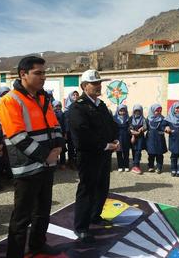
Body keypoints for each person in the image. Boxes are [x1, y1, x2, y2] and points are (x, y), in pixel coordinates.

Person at [0, 56, 64, 258]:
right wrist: (46, 155)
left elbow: (55, 126)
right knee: (21, 218)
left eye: (44, 73)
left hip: (46, 164)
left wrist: (59, 147)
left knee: (43, 211)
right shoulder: (10, 100)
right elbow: (17, 136)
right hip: (26, 168)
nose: (43, 77)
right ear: (23, 74)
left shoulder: (44, 98)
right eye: (38, 73)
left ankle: (37, 245)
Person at [69, 69, 118, 243]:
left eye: (100, 83)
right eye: (95, 83)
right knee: (87, 190)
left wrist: (115, 139)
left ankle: (95, 216)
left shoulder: (100, 104)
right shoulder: (77, 107)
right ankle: (81, 227)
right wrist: (106, 145)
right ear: (84, 86)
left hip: (104, 155)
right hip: (89, 156)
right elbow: (82, 134)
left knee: (102, 187)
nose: (99, 86)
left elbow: (111, 124)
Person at [146, 104, 167, 174]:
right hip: (150, 138)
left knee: (159, 154)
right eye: (156, 111)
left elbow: (164, 126)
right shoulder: (148, 119)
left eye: (160, 111)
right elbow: (145, 126)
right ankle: (151, 166)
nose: (158, 112)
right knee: (151, 154)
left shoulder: (163, 119)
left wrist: (165, 129)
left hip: (159, 139)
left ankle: (159, 167)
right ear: (152, 111)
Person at [129, 104, 147, 174]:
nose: (137, 112)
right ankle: (135, 165)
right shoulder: (131, 118)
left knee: (138, 151)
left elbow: (145, 127)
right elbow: (129, 127)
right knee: (134, 150)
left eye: (139, 111)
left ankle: (136, 165)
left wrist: (142, 129)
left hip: (140, 137)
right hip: (133, 137)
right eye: (136, 111)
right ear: (133, 111)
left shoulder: (143, 119)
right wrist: (133, 133)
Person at [64, 91, 80, 169]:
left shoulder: (80, 106)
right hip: (70, 132)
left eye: (77, 95)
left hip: (79, 131)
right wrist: (66, 133)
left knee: (79, 146)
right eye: (73, 95)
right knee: (71, 147)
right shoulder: (67, 109)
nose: (75, 96)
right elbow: (66, 122)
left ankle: (78, 161)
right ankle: (71, 162)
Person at [113, 104, 131, 172]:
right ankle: (120, 166)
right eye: (121, 110)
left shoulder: (128, 118)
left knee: (126, 152)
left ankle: (126, 165)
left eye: (124, 111)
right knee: (119, 152)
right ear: (118, 111)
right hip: (118, 137)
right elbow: (113, 128)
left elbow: (130, 127)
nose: (122, 112)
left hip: (126, 137)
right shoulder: (114, 118)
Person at [52, 100, 66, 169]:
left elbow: (64, 124)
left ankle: (63, 163)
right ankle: (56, 162)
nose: (58, 107)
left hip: (61, 133)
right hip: (54, 134)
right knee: (55, 148)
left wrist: (65, 133)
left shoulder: (62, 114)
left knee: (62, 148)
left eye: (59, 106)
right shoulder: (51, 114)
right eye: (56, 106)